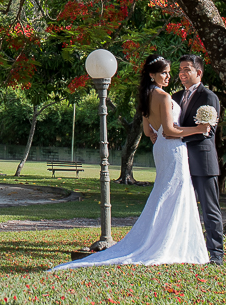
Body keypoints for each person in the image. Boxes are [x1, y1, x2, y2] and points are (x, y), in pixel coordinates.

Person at [49, 54, 211, 270]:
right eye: (164, 72)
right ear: (152, 74)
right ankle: (169, 242)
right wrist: (198, 129)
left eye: (169, 73)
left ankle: (163, 238)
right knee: (175, 192)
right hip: (173, 149)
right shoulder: (162, 97)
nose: (168, 77)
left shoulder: (145, 96)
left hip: (161, 148)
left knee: (166, 191)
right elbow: (172, 131)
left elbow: (147, 131)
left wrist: (157, 134)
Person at [176, 54, 225, 265]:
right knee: (183, 207)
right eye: (180, 70)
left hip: (203, 161)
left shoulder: (208, 97)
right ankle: (185, 250)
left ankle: (215, 253)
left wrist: (178, 132)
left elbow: (207, 131)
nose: (182, 74)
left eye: (187, 69)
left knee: (209, 209)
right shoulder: (176, 97)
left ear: (199, 73)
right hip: (179, 160)